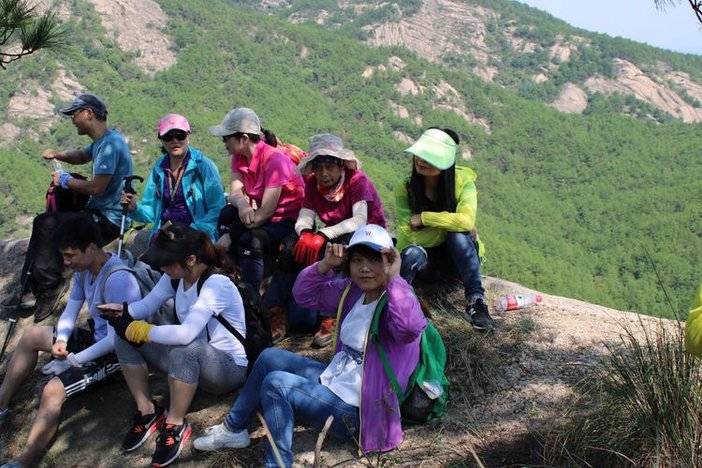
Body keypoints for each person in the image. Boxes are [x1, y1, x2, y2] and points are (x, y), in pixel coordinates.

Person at [192, 224, 426, 468]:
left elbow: (409, 328)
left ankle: (277, 464)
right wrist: (325, 265)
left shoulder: (398, 300)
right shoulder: (354, 291)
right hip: (338, 381)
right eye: (357, 260)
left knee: (276, 384)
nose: (364, 268)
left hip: (364, 411)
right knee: (269, 357)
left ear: (389, 261)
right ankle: (233, 429)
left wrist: (395, 279)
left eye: (375, 260)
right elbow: (304, 295)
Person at [98, 223, 248, 467]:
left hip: (227, 370)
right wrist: (123, 312)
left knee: (185, 346)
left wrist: (141, 329)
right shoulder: (176, 277)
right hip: (191, 363)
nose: (162, 268)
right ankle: (147, 410)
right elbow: (146, 305)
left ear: (191, 259)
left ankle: (175, 424)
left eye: (167, 263)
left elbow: (186, 334)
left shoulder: (216, 283)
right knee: (123, 337)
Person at [0, 214, 142, 468]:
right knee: (31, 335)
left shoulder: (118, 279)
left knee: (52, 390)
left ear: (91, 248)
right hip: (95, 338)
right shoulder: (84, 271)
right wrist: (63, 340)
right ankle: (2, 404)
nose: (66, 262)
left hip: (116, 353)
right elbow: (72, 309)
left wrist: (73, 360)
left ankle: (27, 460)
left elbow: (115, 339)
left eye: (70, 255)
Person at [7, 93, 133, 322]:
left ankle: (49, 287)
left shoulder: (110, 145)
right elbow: (82, 155)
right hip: (97, 213)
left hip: (108, 219)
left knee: (45, 223)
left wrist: (65, 180)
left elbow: (97, 188)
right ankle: (28, 287)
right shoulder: (103, 141)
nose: (72, 119)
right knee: (47, 223)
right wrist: (58, 155)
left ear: (88, 113)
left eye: (74, 114)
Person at [270, 133, 386, 347]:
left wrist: (323, 234)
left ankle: (332, 315)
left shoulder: (357, 181)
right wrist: (305, 232)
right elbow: (306, 213)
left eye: (330, 166)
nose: (324, 173)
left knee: (342, 252)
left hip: (366, 236)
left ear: (341, 165)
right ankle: (276, 310)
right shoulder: (313, 184)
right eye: (319, 167)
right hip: (335, 232)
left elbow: (359, 220)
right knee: (289, 249)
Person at [396, 127, 494, 331]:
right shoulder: (406, 187)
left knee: (457, 236)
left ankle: (476, 302)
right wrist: (451, 223)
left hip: (457, 263)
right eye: (420, 154)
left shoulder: (464, 183)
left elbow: (466, 221)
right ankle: (396, 304)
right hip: (427, 263)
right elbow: (407, 235)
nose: (421, 160)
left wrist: (425, 218)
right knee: (414, 252)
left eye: (430, 157)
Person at [211, 107, 304, 292]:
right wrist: (243, 204)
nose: (224, 142)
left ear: (244, 138)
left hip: (286, 220)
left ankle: (250, 292)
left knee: (250, 239)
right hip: (265, 215)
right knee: (227, 213)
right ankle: (231, 269)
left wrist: (231, 235)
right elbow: (235, 192)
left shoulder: (274, 160)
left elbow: (266, 213)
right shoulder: (239, 157)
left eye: (226, 137)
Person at [122, 114, 225, 242]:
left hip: (196, 237)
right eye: (168, 137)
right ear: (162, 140)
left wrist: (193, 231)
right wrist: (135, 209)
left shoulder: (203, 166)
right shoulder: (159, 169)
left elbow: (217, 208)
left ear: (188, 136)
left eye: (180, 135)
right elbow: (151, 210)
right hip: (166, 235)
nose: (175, 140)